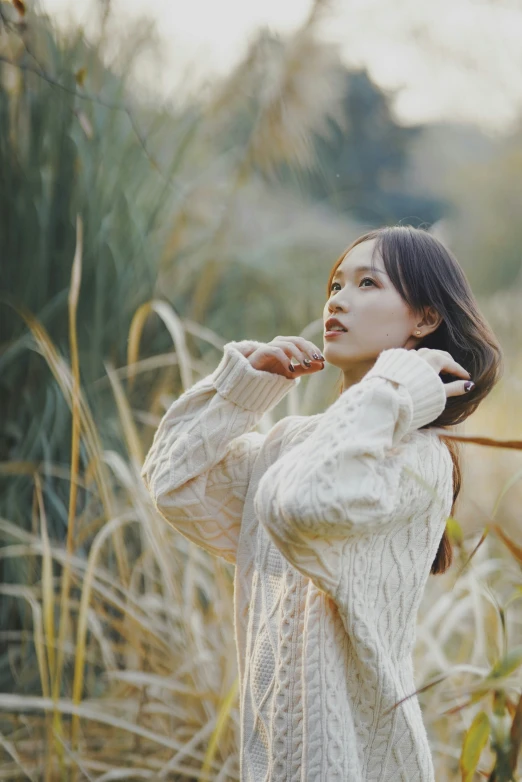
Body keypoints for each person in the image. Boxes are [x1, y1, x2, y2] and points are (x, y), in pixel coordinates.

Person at [140, 225, 503, 781]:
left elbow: (297, 506)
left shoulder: (415, 456)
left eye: (367, 283)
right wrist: (242, 387)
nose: (338, 299)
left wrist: (396, 389)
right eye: (336, 284)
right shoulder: (295, 443)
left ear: (425, 319)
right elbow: (173, 483)